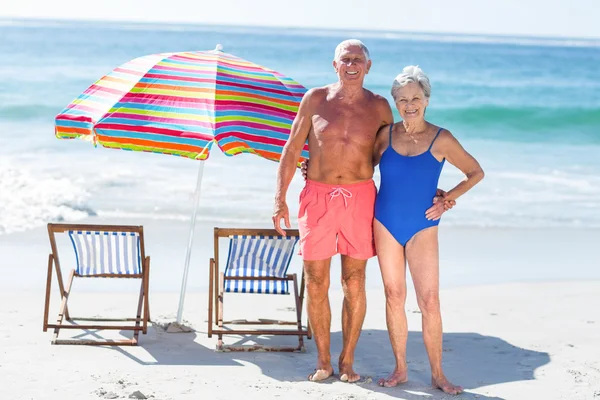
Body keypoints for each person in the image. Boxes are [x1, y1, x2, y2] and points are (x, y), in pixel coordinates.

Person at [272, 39, 398, 383]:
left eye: (358, 59)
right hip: (317, 197)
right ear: (335, 65)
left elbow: (393, 158)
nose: (352, 64)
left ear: (368, 67)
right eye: (346, 59)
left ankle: (347, 361)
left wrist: (418, 193)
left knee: (354, 280)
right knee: (315, 281)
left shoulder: (381, 107)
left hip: (360, 197)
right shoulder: (315, 99)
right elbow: (291, 147)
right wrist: (279, 199)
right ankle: (323, 361)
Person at [373, 65, 484, 395]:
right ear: (395, 101)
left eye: (416, 98)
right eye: (403, 99)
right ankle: (401, 369)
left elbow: (475, 172)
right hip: (385, 222)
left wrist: (448, 198)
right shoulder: (384, 136)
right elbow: (358, 168)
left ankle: (438, 374)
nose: (410, 104)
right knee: (394, 295)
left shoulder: (441, 138)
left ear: (427, 100)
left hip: (424, 225)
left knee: (430, 300)